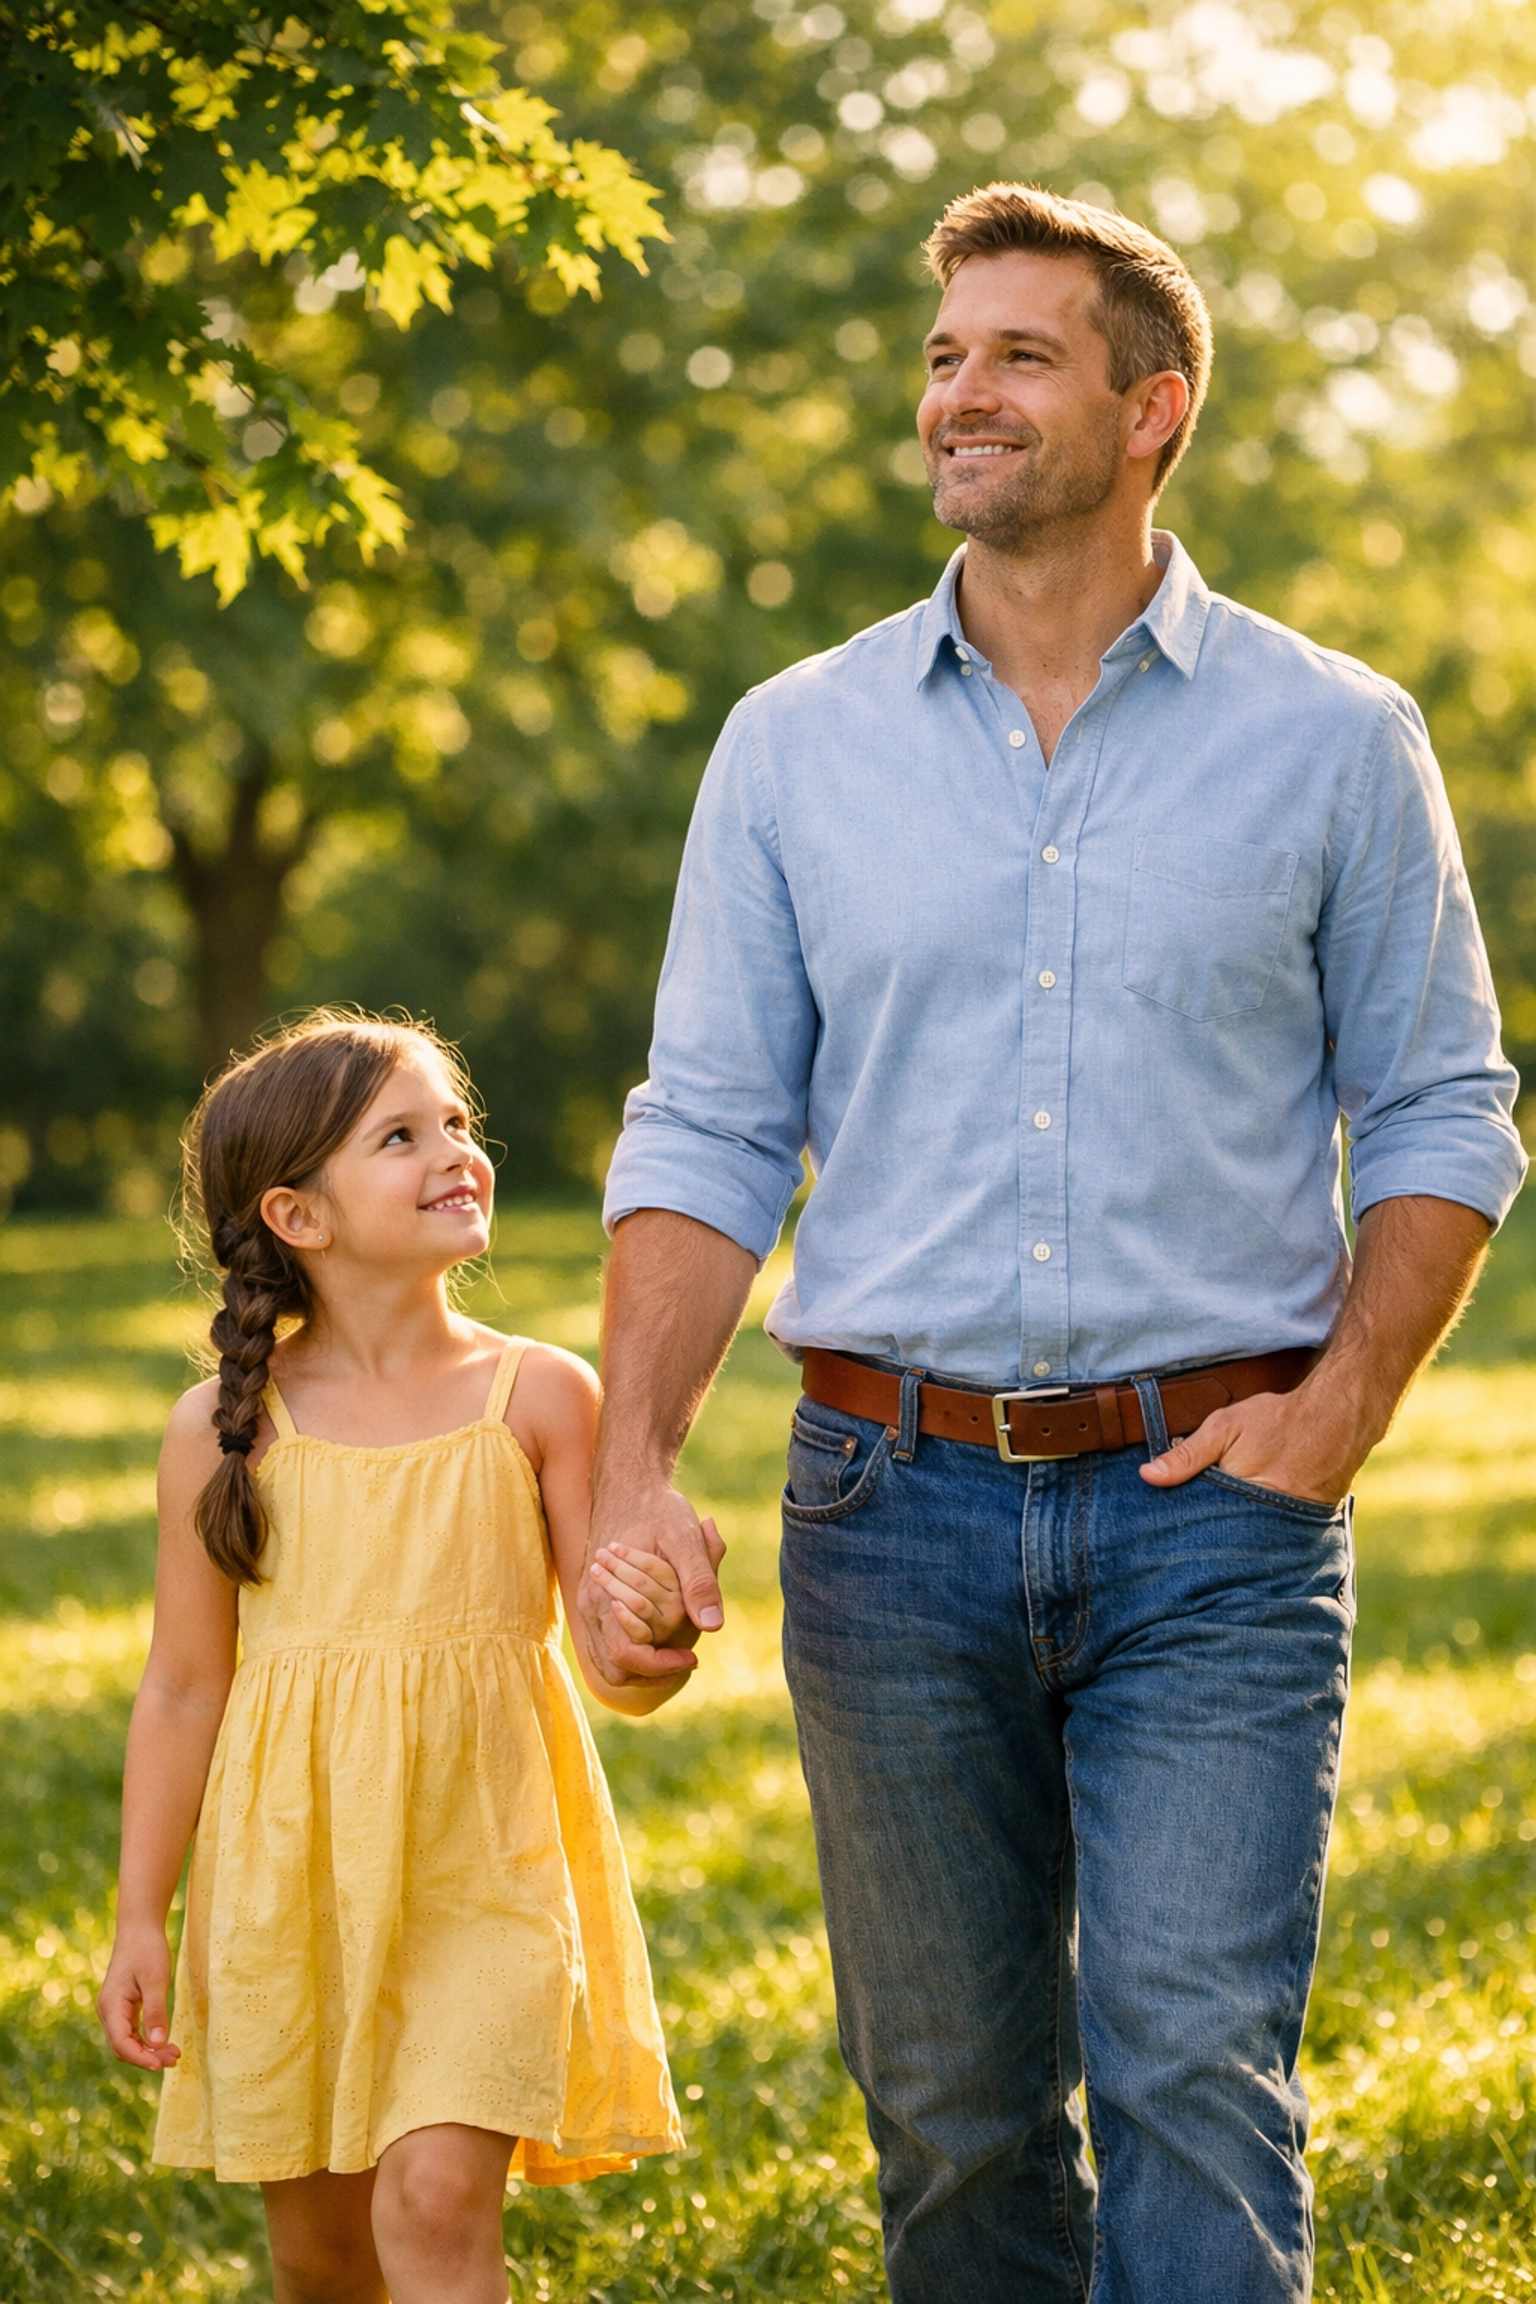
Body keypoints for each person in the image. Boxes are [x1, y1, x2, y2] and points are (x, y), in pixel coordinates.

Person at [581, 184, 1528, 2301]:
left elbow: (1451, 1103)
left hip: (1216, 1516)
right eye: (943, 356)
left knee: (1195, 2071)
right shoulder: (791, 745)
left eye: (1017, 352)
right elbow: (713, 1127)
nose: (960, 393)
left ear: (1150, 405)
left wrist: (1342, 1410)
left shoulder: (1335, 736)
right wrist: (633, 1473)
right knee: (952, 2115)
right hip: (883, 1504)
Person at [98, 1011, 690, 2304]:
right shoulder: (222, 1428)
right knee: (321, 2256)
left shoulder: (538, 1395)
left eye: (458, 1124)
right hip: (290, 1882)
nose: (455, 1151)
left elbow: (614, 1668)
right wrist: (142, 1915)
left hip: (487, 1870)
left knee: (430, 2207)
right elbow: (185, 1684)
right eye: (402, 1136)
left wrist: (658, 1640)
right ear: (298, 1216)